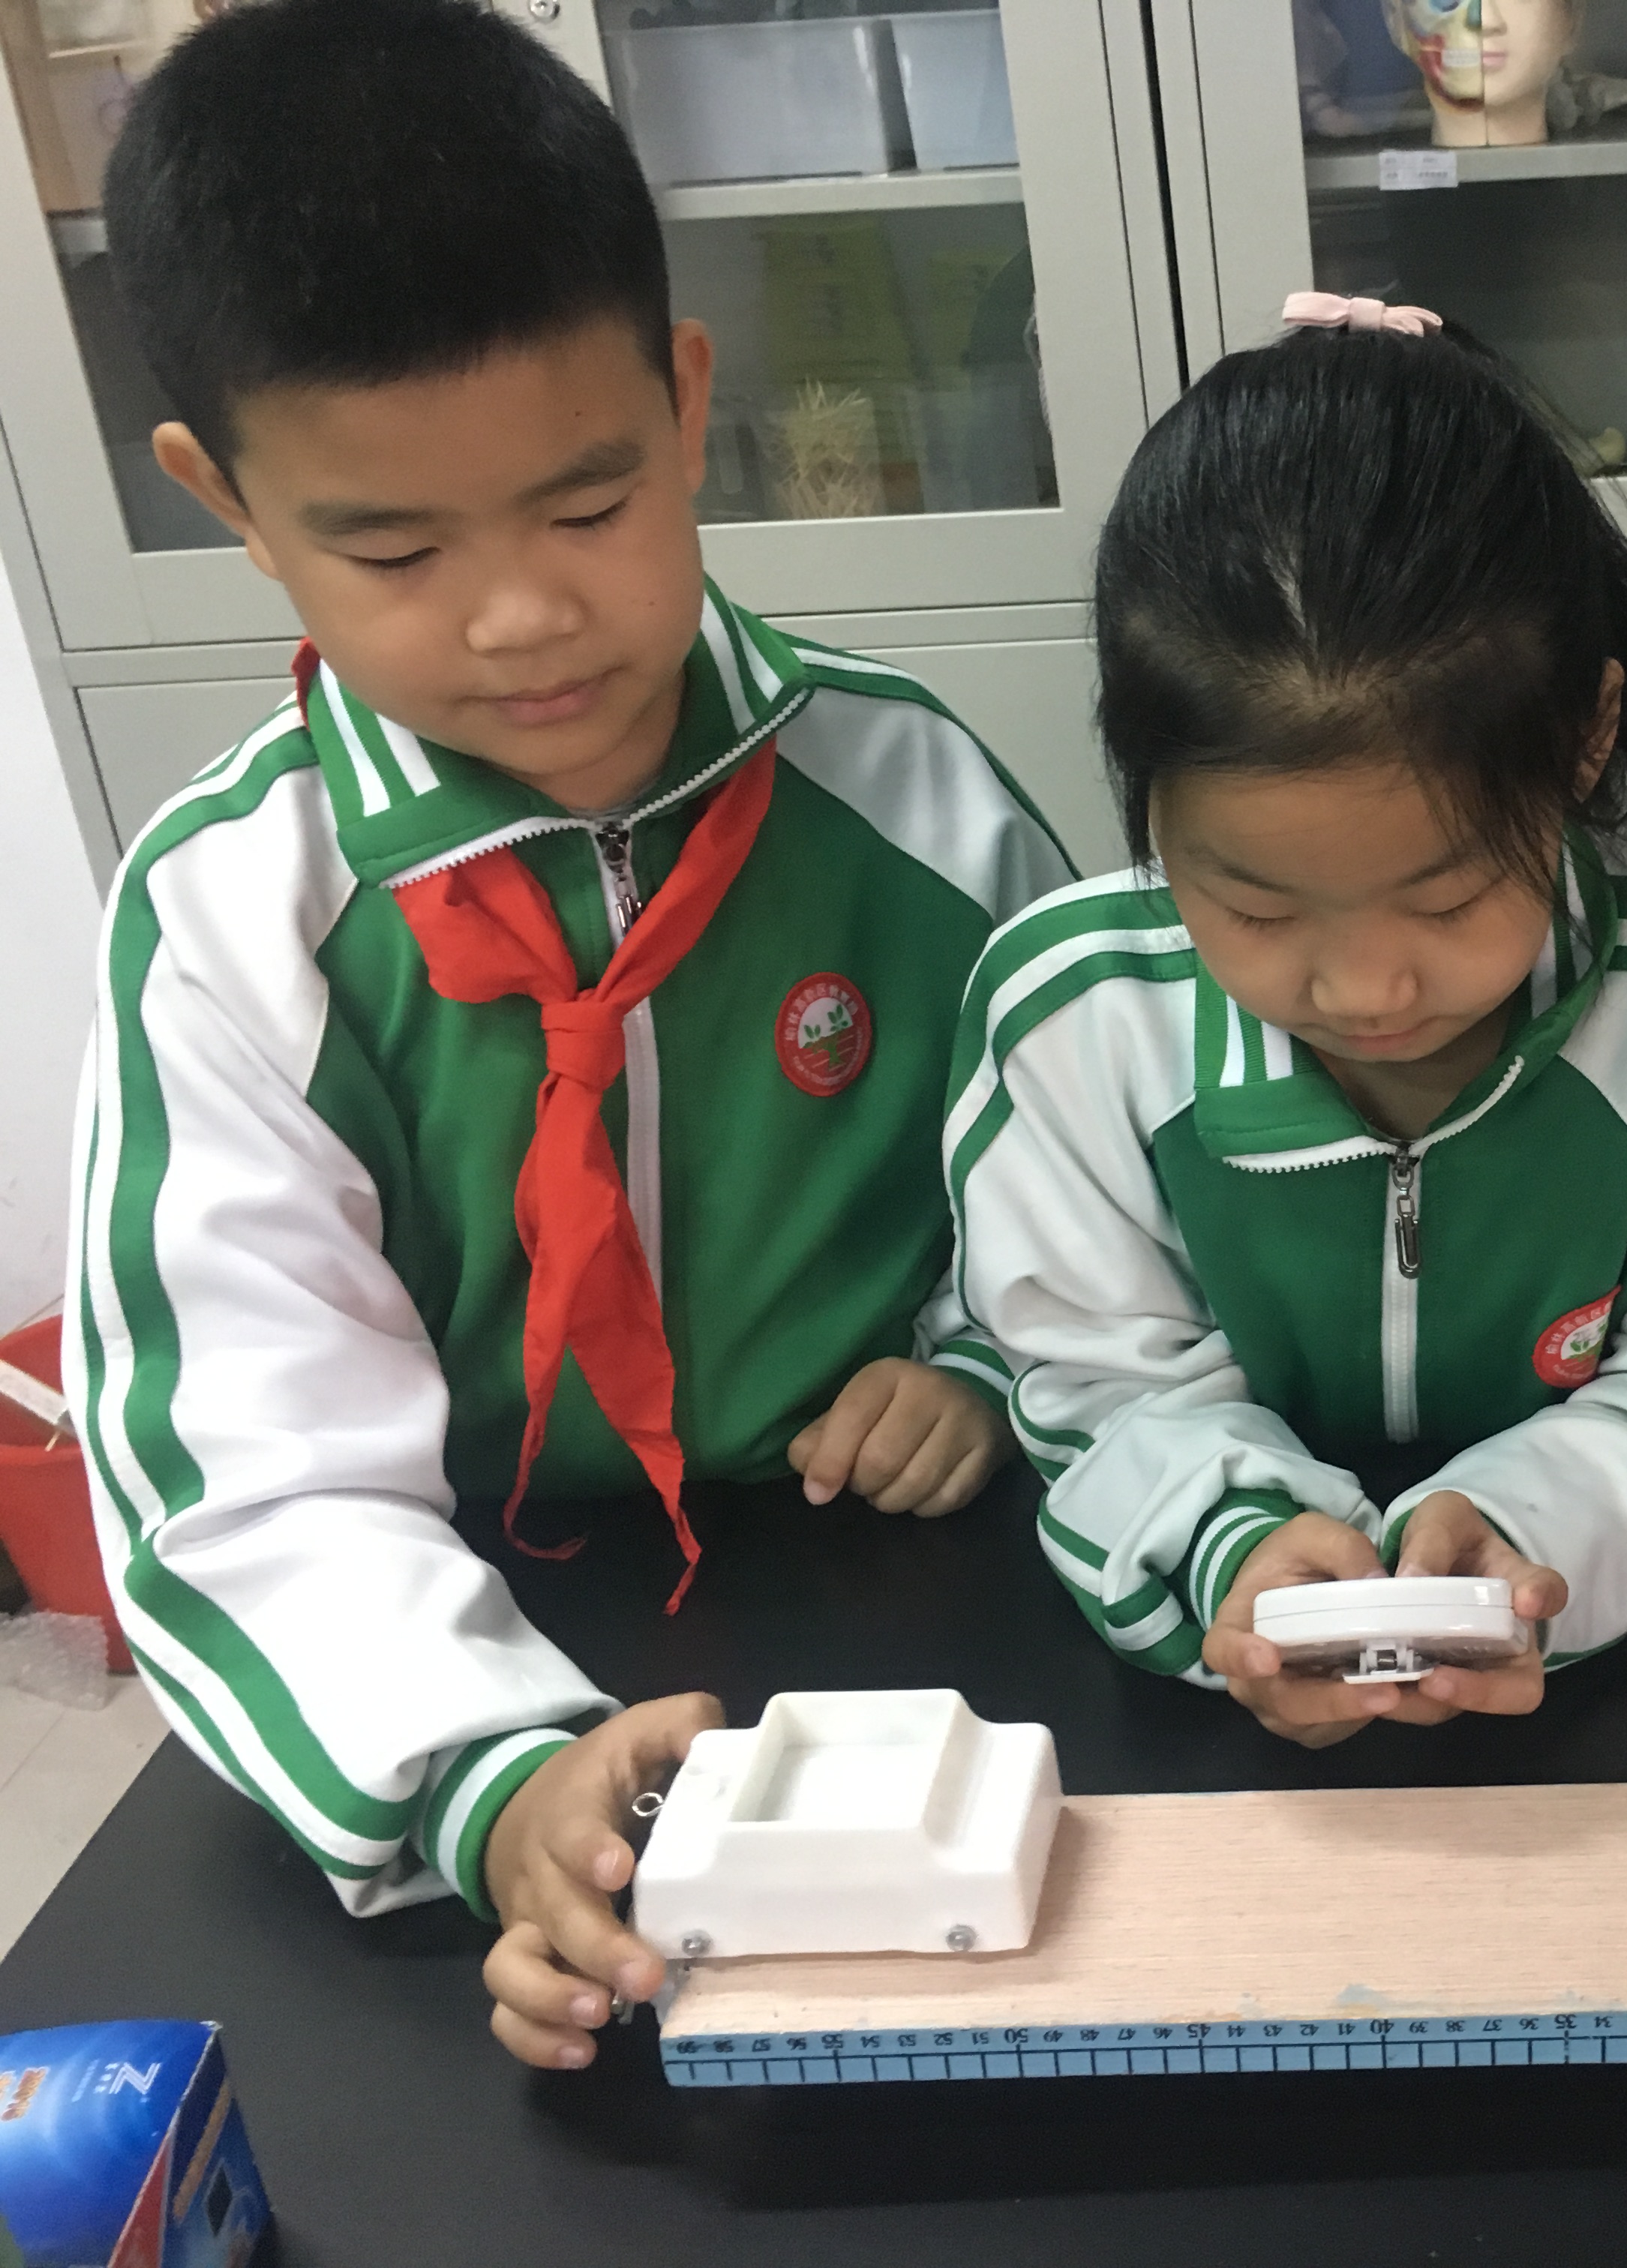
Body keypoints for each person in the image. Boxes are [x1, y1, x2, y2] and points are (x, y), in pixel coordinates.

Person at [68, 0, 1070, 2068]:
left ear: (687, 404)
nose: (521, 616)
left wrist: (976, 1358)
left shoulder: (920, 800)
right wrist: (490, 1774)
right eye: (393, 548)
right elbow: (243, 1479)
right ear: (226, 500)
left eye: (590, 506)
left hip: (916, 1605)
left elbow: (1098, 1192)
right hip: (479, 1639)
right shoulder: (235, 921)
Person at [947, 293, 1627, 1745]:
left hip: (1622, 1688)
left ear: (1587, 735)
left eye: (1448, 901)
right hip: (1209, 1709)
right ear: (1148, 797)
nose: (1366, 991)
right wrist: (1236, 1546)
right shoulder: (1073, 1020)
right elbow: (1100, 1389)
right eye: (1257, 910)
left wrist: (1531, 1528)